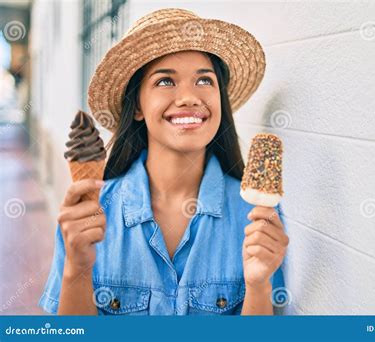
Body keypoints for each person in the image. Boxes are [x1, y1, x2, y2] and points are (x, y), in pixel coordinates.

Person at [39, 8, 289, 315]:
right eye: (165, 82)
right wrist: (76, 269)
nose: (188, 97)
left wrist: (259, 285)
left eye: (204, 80)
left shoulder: (257, 217)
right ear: (137, 107)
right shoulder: (88, 214)